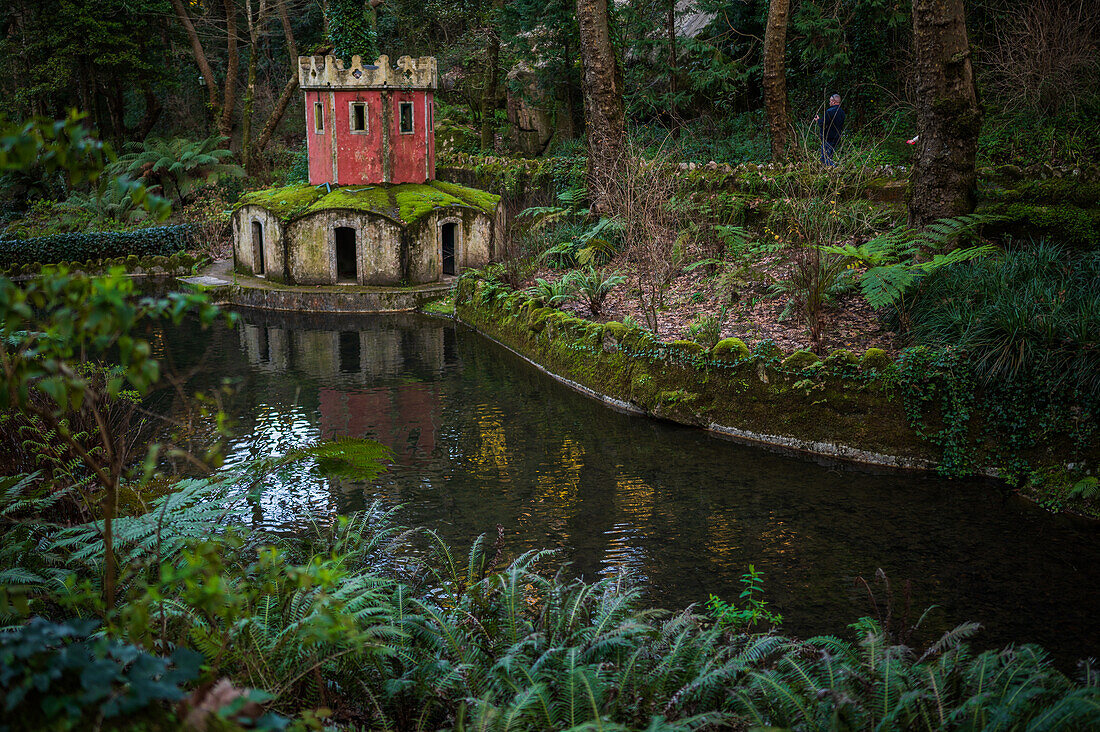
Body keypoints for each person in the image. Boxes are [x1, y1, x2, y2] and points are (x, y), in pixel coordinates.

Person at [812, 94, 845, 166]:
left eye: (830, 101)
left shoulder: (829, 112)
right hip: (837, 137)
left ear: (833, 102)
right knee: (830, 156)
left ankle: (834, 170)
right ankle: (830, 171)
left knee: (824, 158)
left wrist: (818, 120)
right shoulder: (842, 112)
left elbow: (823, 124)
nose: (829, 102)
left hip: (828, 137)